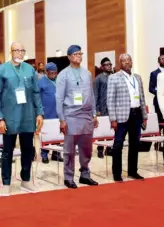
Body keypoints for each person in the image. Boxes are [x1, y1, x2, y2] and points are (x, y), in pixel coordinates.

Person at [0, 42, 43, 195]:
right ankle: (6, 183)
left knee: (27, 150)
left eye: (23, 50)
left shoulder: (30, 69)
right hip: (9, 117)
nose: (20, 53)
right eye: (17, 50)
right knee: (7, 151)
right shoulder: (1, 70)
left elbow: (35, 93)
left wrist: (39, 112)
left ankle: (26, 180)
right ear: (11, 51)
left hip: (27, 116)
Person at [55, 45, 99, 189]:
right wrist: (62, 119)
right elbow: (59, 98)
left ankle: (85, 175)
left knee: (86, 149)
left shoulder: (86, 73)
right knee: (69, 150)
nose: (79, 56)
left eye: (80, 54)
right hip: (71, 116)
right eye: (75, 54)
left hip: (86, 116)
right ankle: (68, 177)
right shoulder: (63, 75)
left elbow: (91, 95)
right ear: (69, 57)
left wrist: (94, 114)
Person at [106, 54, 148, 182]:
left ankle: (132, 171)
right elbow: (110, 100)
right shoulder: (114, 78)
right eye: (123, 61)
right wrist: (113, 119)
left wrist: (144, 116)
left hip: (136, 115)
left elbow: (142, 97)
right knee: (118, 145)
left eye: (128, 60)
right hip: (121, 117)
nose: (127, 63)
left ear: (132, 62)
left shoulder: (137, 78)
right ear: (120, 64)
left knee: (135, 144)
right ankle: (117, 174)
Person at [38, 62, 62, 163]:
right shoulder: (41, 82)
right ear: (46, 72)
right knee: (46, 134)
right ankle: (44, 154)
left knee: (57, 133)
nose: (53, 75)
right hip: (46, 112)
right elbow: (37, 98)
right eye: (51, 73)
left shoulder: (59, 81)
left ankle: (56, 154)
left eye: (55, 73)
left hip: (58, 112)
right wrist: (39, 112)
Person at [94, 57, 112, 158]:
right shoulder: (98, 78)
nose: (109, 66)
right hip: (102, 108)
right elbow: (95, 94)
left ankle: (109, 149)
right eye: (107, 64)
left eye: (110, 64)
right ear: (102, 67)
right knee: (102, 130)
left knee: (111, 128)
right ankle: (100, 149)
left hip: (112, 108)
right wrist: (97, 110)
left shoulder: (114, 77)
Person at [149, 55, 164, 122]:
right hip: (159, 101)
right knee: (160, 121)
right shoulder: (154, 73)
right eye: (162, 59)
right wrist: (160, 93)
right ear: (158, 61)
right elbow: (151, 88)